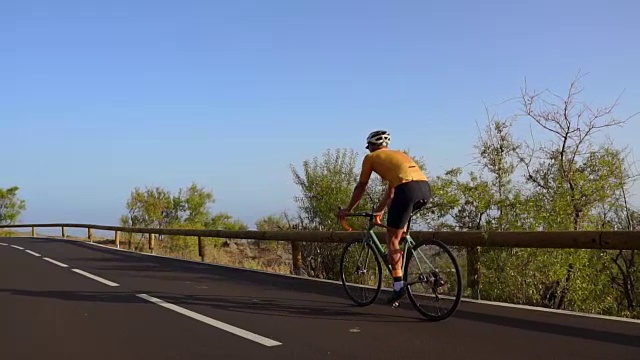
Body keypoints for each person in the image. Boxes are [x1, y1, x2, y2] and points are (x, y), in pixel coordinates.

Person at [337, 130, 432, 304]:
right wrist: (379, 211)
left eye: (368, 147)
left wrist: (348, 209)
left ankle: (398, 287)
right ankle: (405, 272)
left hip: (407, 191)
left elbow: (361, 186)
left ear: (372, 146)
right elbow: (391, 191)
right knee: (399, 234)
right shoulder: (399, 155)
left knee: (392, 240)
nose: (368, 150)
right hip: (425, 188)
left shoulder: (371, 158)